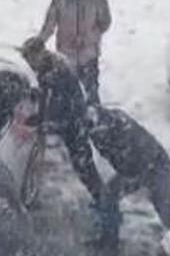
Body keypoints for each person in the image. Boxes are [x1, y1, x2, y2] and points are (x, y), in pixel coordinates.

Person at [20, 37, 106, 207]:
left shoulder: (56, 74)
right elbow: (48, 100)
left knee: (83, 165)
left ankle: (104, 202)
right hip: (72, 119)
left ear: (39, 54)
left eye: (30, 58)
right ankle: (101, 198)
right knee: (82, 164)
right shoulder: (49, 66)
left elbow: (57, 106)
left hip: (74, 123)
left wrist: (45, 123)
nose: (29, 63)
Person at [85, 105, 170, 252]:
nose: (94, 132)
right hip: (133, 167)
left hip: (159, 168)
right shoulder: (96, 130)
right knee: (108, 196)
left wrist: (133, 179)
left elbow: (143, 154)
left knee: (167, 214)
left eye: (95, 128)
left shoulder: (123, 127)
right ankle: (109, 243)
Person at [38, 0, 112, 104]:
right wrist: (40, 41)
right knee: (65, 99)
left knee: (91, 100)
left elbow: (105, 23)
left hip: (89, 57)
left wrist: (86, 39)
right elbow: (49, 24)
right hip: (66, 58)